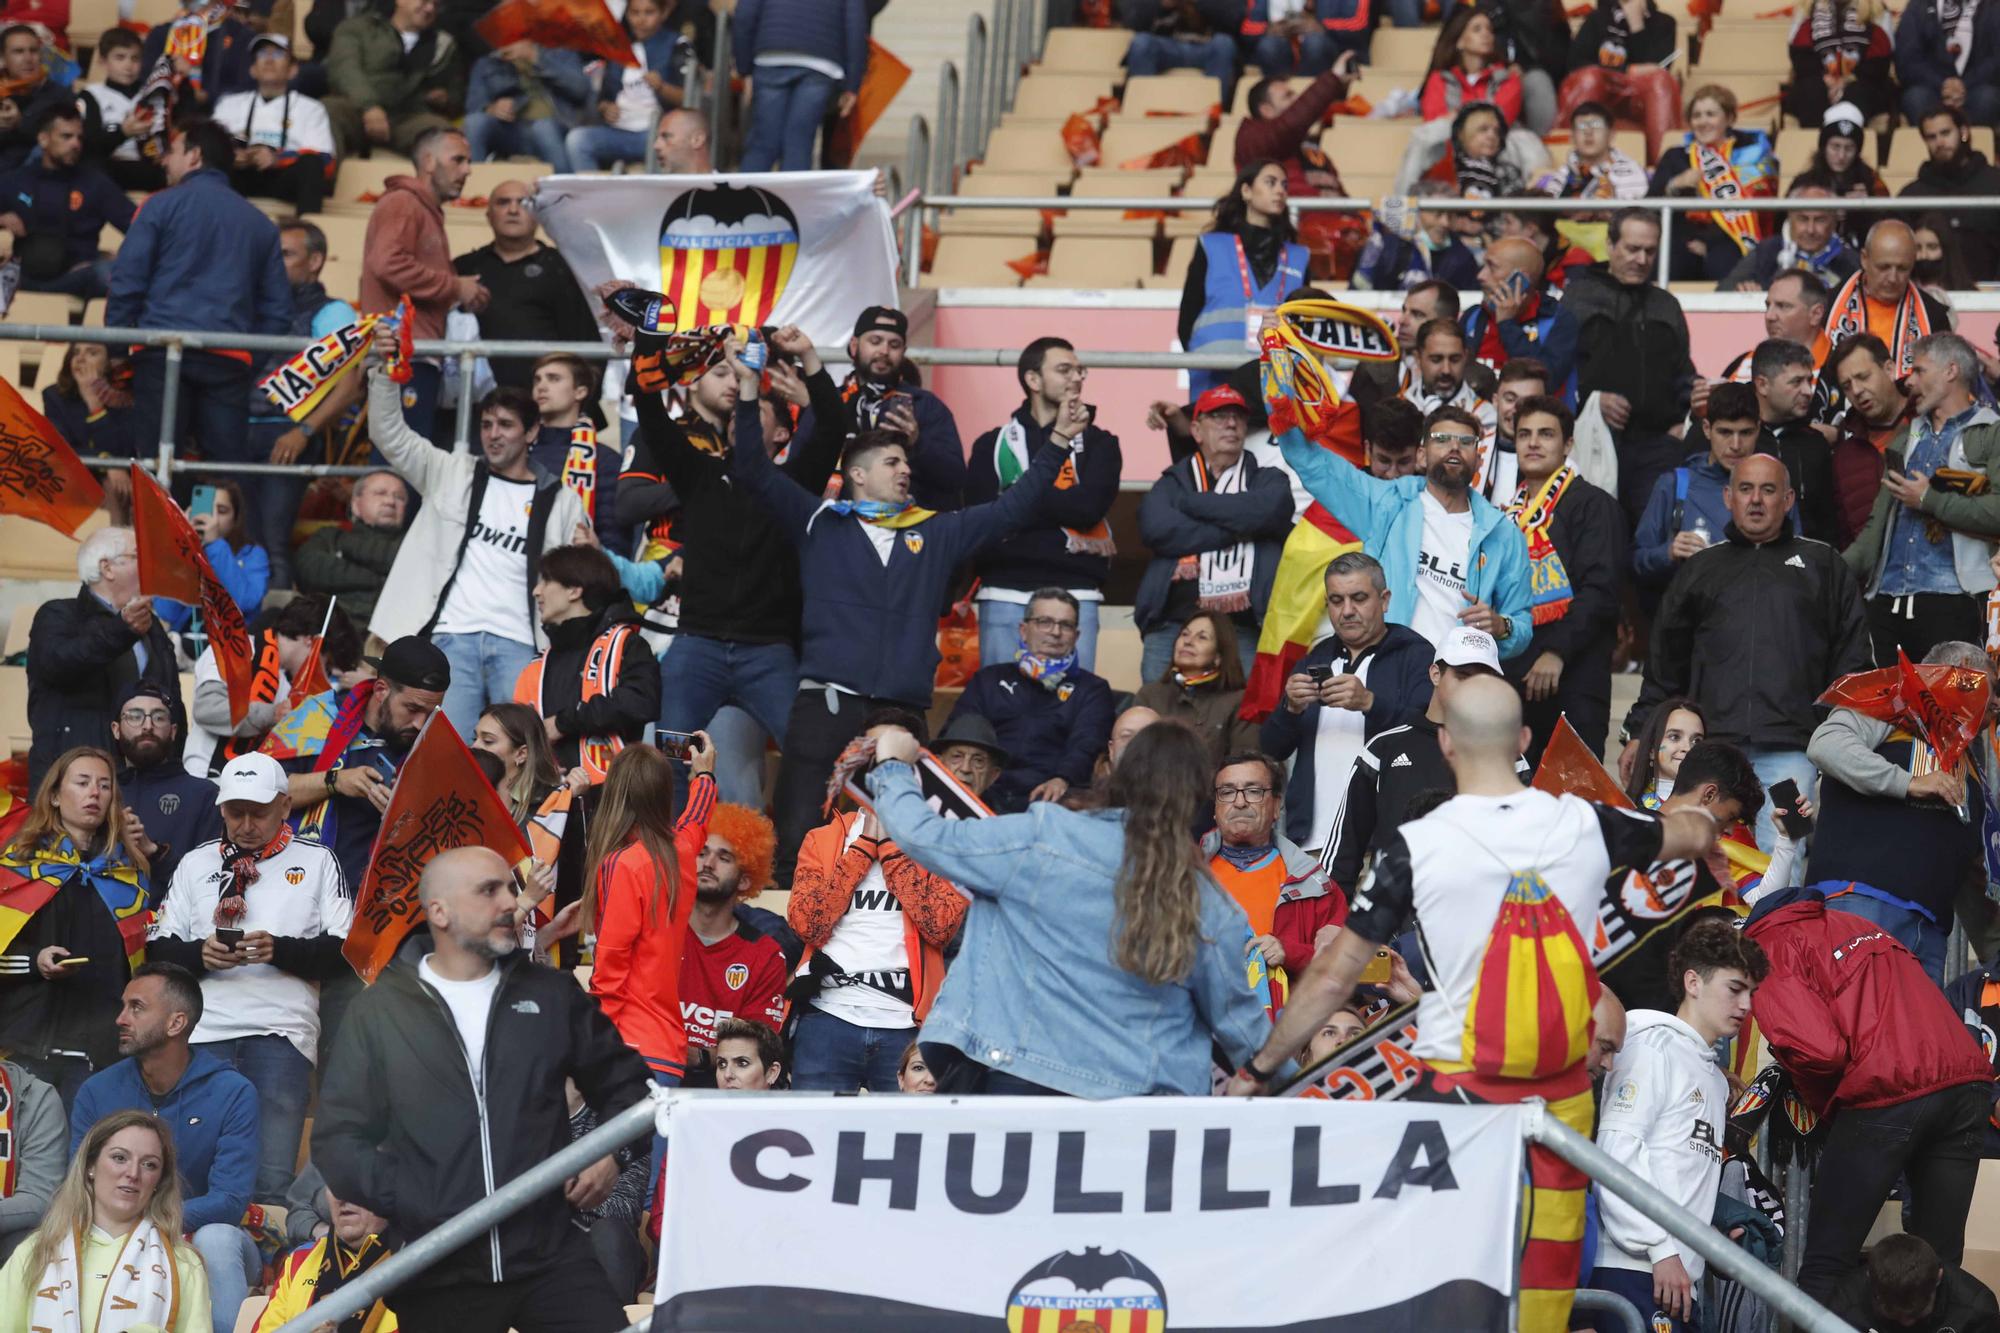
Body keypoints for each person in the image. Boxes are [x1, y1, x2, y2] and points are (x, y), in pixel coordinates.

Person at [1231, 676, 1720, 1333]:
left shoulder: (1416, 845)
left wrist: (1259, 1069)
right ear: (1523, 740)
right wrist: (1702, 820)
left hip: (1455, 1095)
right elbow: (1688, 833)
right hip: (1561, 1095)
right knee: (1547, 1279)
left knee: (1442, 1274)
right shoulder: (1586, 822)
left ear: (1445, 743)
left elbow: (1328, 978)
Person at [727, 348, 1072, 887]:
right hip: (826, 700)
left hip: (901, 709)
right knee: (796, 830)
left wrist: (1057, 443)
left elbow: (1013, 508)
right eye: (893, 463)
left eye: (907, 463)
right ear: (857, 475)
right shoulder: (820, 522)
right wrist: (749, 390)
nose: (906, 470)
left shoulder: (934, 530)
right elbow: (749, 468)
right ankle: (794, 950)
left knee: (903, 837)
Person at [314, 845, 652, 1333]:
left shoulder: (551, 994)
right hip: (440, 1266)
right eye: (489, 890)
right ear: (439, 911)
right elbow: (337, 1139)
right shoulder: (380, 1011)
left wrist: (612, 1155)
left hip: (549, 1255)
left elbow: (633, 1091)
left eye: (511, 889)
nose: (510, 903)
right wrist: (416, 1201)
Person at [866, 718, 1272, 1096]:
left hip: (1016, 1079)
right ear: (1198, 798)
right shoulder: (1209, 900)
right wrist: (1300, 1086)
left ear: (1117, 773)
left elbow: (925, 836)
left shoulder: (1043, 836)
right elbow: (1241, 1025)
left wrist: (892, 766)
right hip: (1140, 1105)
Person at [625, 322, 846, 804]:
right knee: (672, 758)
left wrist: (808, 354)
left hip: (767, 653)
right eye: (739, 414)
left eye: (757, 411)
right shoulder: (698, 474)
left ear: (783, 432)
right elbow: (649, 410)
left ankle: (802, 860)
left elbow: (832, 423)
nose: (742, 418)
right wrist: (646, 344)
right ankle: (676, 859)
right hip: (697, 647)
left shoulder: (797, 483)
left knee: (810, 758)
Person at [1745, 877, 1992, 1304]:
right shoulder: (1849, 923)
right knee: (1939, 1264)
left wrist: (1827, 1111)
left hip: (1888, 1089)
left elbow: (1818, 1050)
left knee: (1827, 1263)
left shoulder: (1769, 945)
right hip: (1965, 1083)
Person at [1625, 453, 1870, 847]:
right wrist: (1640, 732)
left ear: (1788, 499)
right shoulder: (1700, 568)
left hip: (1794, 754)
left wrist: (1837, 736)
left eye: (1768, 490)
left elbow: (1853, 660)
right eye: (1745, 489)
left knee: (1788, 856)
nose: (1756, 499)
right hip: (1711, 755)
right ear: (1727, 497)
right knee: (1702, 858)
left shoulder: (1824, 564)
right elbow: (1664, 664)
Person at [361, 328, 588, 736]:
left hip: (521, 640)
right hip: (452, 637)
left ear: (532, 432)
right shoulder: (452, 471)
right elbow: (388, 435)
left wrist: (591, 552)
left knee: (520, 756)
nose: (493, 434)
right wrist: (384, 373)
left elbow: (581, 572)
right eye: (486, 424)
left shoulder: (562, 498)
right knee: (446, 753)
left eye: (505, 424)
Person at [146, 753, 348, 1205]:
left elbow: (347, 953)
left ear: (285, 805)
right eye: (235, 812)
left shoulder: (317, 862)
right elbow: (157, 951)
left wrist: (282, 949)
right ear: (221, 809)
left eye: (259, 812)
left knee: (269, 1182)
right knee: (188, 1177)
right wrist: (200, 955)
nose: (246, 824)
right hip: (201, 1034)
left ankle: (271, 1273)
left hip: (281, 1036)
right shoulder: (196, 863)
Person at [1589, 920, 1767, 1333]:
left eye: (1751, 994)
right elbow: (1616, 1154)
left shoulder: (1713, 1077)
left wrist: (1711, 1240)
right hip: (1633, 1269)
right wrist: (1660, 1248)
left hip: (1675, 1275)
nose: (1745, 1006)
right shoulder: (1651, 1048)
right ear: (1693, 982)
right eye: (1734, 989)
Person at [71, 964, 259, 1333]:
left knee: (218, 1238)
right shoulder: (97, 1090)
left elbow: (230, 1199)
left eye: (137, 1008)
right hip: (111, 1230)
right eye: (123, 1006)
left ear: (176, 1023)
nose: (121, 1018)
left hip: (195, 1235)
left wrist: (147, 1221)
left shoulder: (233, 1091)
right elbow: (77, 1181)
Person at [787, 709, 968, 1091]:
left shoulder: (943, 840)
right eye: (873, 750)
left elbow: (941, 927)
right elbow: (808, 924)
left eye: (893, 753)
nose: (879, 762)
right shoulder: (822, 839)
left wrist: (891, 847)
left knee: (909, 1148)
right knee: (814, 1144)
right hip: (827, 1018)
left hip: (908, 1028)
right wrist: (862, 847)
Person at [1276, 403, 1534, 661]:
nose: (1454, 447)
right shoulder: (1385, 503)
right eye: (1441, 439)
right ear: (1421, 456)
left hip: (1459, 676)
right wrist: (1279, 399)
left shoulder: (1504, 535)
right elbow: (1311, 462)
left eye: (1466, 441)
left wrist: (1502, 626)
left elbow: (1522, 624)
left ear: (1478, 460)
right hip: (1385, 667)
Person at [1805, 640, 1993, 987]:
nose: (1996, 703)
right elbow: (1826, 744)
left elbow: (1970, 867)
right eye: (1992, 688)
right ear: (1960, 674)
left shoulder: (1970, 760)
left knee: (1910, 1041)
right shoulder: (1887, 704)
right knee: (1852, 1032)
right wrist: (1909, 782)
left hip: (1929, 933)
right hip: (1860, 903)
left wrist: (1994, 954)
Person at [106, 118, 288, 475]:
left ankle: (162, 531)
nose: (163, 161)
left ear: (194, 157)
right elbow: (278, 314)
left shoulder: (158, 206)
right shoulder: (261, 225)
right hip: (228, 362)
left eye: (172, 151)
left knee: (159, 468)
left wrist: (116, 350)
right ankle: (209, 528)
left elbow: (127, 281)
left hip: (160, 355)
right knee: (219, 475)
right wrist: (248, 359)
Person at [0, 749, 152, 1108]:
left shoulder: (129, 876)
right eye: (82, 783)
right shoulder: (16, 868)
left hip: (101, 1059)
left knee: (88, 1163)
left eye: (104, 785)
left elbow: (140, 967)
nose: (94, 793)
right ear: (54, 795)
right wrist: (35, 962)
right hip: (26, 1051)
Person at [1259, 551, 1435, 853]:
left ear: (1385, 599)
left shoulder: (1415, 654)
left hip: (1382, 844)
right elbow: (1270, 749)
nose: (1347, 610)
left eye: (1359, 598)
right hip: (1311, 844)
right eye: (1337, 601)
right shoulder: (1315, 658)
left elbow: (1431, 737)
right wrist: (1290, 709)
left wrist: (1369, 703)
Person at [965, 338, 1123, 671]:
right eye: (1064, 369)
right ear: (1033, 380)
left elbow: (1088, 509)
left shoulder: (1100, 443)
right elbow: (983, 520)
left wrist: (1015, 496)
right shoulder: (991, 445)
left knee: (1072, 709)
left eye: (1080, 370)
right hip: (1005, 591)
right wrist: (1048, 502)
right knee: (1002, 708)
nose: (1076, 378)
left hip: (1077, 590)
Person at [1843, 333, 2000, 666]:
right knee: (1885, 715)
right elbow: (1877, 526)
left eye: (1919, 370)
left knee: (1950, 712)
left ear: (1950, 370)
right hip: (1885, 600)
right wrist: (1829, 570)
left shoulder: (1992, 432)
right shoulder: (1907, 436)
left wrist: (1929, 498)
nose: (1909, 382)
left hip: (1955, 600)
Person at [1321, 625, 1506, 894]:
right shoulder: (1383, 749)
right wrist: (1332, 920)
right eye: (1463, 676)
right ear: (1434, 673)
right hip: (1391, 927)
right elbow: (1343, 853)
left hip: (1478, 924)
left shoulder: (1507, 757)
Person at [1136, 384, 1296, 680]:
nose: (1232, 424)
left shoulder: (1267, 479)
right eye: (1219, 416)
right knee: (1155, 709)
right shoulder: (1173, 481)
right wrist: (1241, 530)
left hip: (1246, 625)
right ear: (1196, 431)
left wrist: (1191, 505)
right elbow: (1156, 530)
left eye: (1238, 417)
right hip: (1173, 624)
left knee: (1246, 717)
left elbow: (1270, 512)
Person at [582, 741, 715, 1095]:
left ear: (615, 794)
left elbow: (610, 964)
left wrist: (595, 1046)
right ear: (663, 794)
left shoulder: (623, 863)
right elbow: (696, 822)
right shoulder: (681, 852)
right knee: (659, 1155)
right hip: (666, 1049)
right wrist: (704, 775)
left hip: (627, 1049)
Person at [0, 1109, 209, 1333]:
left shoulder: (184, 1263)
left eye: (149, 1164)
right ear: (90, 1166)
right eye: (120, 1158)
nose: (133, 1173)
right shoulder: (35, 1251)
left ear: (159, 1180)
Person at [1501, 395, 1626, 765]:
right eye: (1524, 434)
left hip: (1574, 678)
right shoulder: (1506, 514)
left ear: (1568, 444)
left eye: (1545, 434)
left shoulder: (1593, 504)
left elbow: (1601, 592)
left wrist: (1557, 652)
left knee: (1573, 803)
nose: (1533, 442)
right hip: (1513, 678)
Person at [278, 635, 450, 893]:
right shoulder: (318, 715)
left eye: (431, 712)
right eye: (412, 708)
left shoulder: (434, 750)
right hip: (294, 885)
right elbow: (266, 793)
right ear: (381, 690)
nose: (420, 723)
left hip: (374, 900)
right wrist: (334, 781)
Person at [246, 219, 365, 591]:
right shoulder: (255, 306)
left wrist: (304, 431)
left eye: (285, 254)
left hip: (286, 436)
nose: (274, 262)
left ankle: (273, 636)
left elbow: (351, 385)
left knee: (272, 542)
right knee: (244, 543)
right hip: (237, 432)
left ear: (315, 262)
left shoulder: (333, 312)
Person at [1562, 208, 1699, 524]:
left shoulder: (1666, 305)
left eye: (1650, 251)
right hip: (1593, 439)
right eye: (1632, 248)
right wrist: (1593, 399)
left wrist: (1686, 417)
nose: (1641, 259)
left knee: (1655, 533)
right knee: (1598, 531)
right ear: (1610, 245)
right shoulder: (1578, 296)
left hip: (1657, 446)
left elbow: (1682, 370)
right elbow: (1560, 369)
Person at [25, 527, 182, 791]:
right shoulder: (59, 614)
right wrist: (122, 629)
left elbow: (171, 700)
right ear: (107, 568)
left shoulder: (149, 624)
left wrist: (174, 766)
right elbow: (60, 664)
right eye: (137, 558)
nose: (148, 568)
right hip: (71, 781)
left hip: (145, 779)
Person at [361, 125, 482, 440]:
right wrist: (456, 287)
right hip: (404, 355)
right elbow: (387, 262)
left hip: (413, 353)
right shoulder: (404, 202)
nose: (467, 170)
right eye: (458, 160)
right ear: (429, 162)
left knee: (409, 468)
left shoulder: (419, 207)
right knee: (399, 472)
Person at [944, 590, 1113, 814]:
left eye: (1066, 625)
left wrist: (1063, 778)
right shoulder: (989, 679)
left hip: (1054, 801)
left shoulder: (1092, 689)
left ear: (1076, 636)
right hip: (986, 791)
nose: (1055, 632)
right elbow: (957, 734)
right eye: (1045, 622)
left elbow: (1086, 745)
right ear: (1024, 630)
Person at [513, 544, 659, 778]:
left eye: (546, 581)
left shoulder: (626, 644)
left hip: (613, 800)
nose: (536, 591)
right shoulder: (541, 660)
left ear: (574, 590)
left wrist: (563, 723)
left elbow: (640, 702)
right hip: (549, 802)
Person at [1203, 751, 1345, 987]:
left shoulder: (1314, 885)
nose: (1240, 802)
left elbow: (1345, 968)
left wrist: (1290, 954)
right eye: (1227, 792)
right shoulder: (1182, 877)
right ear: (1215, 808)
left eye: (1253, 791)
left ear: (1277, 805)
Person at [806, 305, 966, 512]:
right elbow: (801, 468)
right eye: (875, 341)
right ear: (854, 346)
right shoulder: (829, 402)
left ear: (904, 353)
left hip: (907, 531)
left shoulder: (925, 405)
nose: (884, 351)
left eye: (894, 345)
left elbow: (955, 478)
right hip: (838, 525)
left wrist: (918, 443)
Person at [1179, 160, 1310, 402]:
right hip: (1213, 378)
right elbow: (1187, 318)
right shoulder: (1212, 246)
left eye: (1284, 185)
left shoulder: (1299, 256)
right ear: (1246, 191)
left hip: (1274, 381)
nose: (1280, 190)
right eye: (1270, 183)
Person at [455, 181, 600, 391]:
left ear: (538, 215)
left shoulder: (564, 268)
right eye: (503, 203)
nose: (513, 210)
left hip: (545, 405)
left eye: (523, 203)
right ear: (488, 215)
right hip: (477, 404)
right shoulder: (464, 267)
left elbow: (587, 343)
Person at [679, 802, 785, 1070]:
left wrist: (699, 1056)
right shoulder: (658, 933)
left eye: (724, 858)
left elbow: (758, 1049)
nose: (708, 863)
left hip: (722, 1094)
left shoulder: (765, 955)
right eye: (702, 853)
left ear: (745, 881)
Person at [1632, 382, 1763, 591]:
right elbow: (1637, 561)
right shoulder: (1674, 485)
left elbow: (1796, 563)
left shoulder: (1775, 487)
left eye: (1745, 433)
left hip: (1757, 617)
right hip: (1692, 618)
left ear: (1758, 430)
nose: (1736, 445)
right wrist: (1669, 553)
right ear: (1707, 429)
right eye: (1725, 432)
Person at [179, 598, 325, 780]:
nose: (319, 668)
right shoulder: (235, 646)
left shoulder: (284, 684)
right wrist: (273, 714)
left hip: (245, 787)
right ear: (309, 641)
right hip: (204, 780)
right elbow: (208, 709)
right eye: (323, 657)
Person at [1650, 84, 1779, 284]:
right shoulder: (1676, 156)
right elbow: (1648, 208)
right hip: (1682, 241)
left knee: (1726, 263)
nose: (1702, 122)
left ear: (1729, 119)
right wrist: (1674, 185)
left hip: (1731, 241)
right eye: (1697, 115)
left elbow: (1761, 212)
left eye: (1710, 114)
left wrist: (1707, 243)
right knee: (1668, 260)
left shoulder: (1753, 156)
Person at [0, 104, 131, 300]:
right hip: (21, 277)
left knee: (111, 273)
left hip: (77, 277)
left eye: (79, 138)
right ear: (43, 139)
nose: (75, 144)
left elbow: (140, 227)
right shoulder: (15, 180)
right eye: (66, 136)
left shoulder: (95, 184)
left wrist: (120, 258)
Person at [112, 684, 222, 894]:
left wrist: (155, 853)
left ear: (173, 731)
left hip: (171, 923)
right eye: (135, 716)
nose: (147, 726)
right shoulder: (101, 792)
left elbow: (210, 883)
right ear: (116, 729)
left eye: (159, 717)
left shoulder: (203, 795)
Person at [732, 0, 865, 172]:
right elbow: (855, 28)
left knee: (763, 142)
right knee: (799, 142)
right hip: (820, 62)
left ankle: (745, 198)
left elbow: (744, 15)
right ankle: (791, 199)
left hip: (771, 57)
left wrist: (745, 69)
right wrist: (852, 85)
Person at [321, 0, 464, 158]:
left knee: (445, 136)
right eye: (424, 2)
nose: (430, 8)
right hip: (355, 110)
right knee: (326, 112)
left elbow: (456, 95)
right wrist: (370, 107)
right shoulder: (359, 29)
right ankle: (322, 182)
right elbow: (345, 71)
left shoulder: (442, 45)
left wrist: (444, 99)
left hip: (407, 117)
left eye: (435, 5)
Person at [214, 35, 335, 214]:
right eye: (262, 54)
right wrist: (231, 155)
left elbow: (326, 160)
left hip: (283, 177)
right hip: (240, 175)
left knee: (311, 164)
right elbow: (208, 147)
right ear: (253, 69)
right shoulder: (228, 104)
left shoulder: (311, 108)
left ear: (293, 70)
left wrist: (277, 159)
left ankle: (307, 231)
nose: (269, 59)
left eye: (278, 54)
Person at [252, 1183, 394, 1333]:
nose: (343, 1195)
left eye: (358, 1181)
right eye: (334, 1182)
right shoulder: (299, 1261)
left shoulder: (417, 1271)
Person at [1825, 220, 1956, 380]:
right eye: (1884, 267)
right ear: (1864, 259)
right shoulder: (1827, 307)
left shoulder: (1933, 316)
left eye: (1902, 268)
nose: (1893, 278)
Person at [567, 0, 686, 171]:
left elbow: (691, 100)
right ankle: (594, 196)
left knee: (662, 144)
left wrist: (662, 88)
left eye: (648, 12)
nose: (641, 19)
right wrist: (606, 109)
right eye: (635, 13)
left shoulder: (677, 44)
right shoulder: (618, 47)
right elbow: (604, 98)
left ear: (663, 13)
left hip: (656, 133)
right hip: (618, 131)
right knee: (578, 140)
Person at [1348, 280, 1497, 413]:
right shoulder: (1371, 368)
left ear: (1446, 323)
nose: (1402, 320)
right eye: (1404, 310)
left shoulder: (1480, 380)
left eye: (1417, 314)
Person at [1134, 612, 1262, 767]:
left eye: (1202, 637)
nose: (1188, 641)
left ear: (1218, 656)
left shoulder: (1239, 701)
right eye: (1184, 634)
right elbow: (1135, 758)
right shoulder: (1149, 695)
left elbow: (1243, 766)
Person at [1745, 338, 1841, 544]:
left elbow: (1828, 525)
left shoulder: (1816, 444)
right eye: (1796, 382)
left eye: (1809, 381)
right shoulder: (1734, 437)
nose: (1808, 391)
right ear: (1762, 384)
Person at [1558, 0, 1679, 163]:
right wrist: (1627, 70)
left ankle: (1664, 167)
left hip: (1641, 100)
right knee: (1589, 78)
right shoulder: (1596, 19)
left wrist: (1636, 25)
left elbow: (1657, 67)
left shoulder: (1665, 23)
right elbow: (1576, 63)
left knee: (1660, 81)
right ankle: (1572, 161)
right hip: (1601, 90)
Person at [1461, 240, 1577, 401]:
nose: (1481, 276)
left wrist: (1507, 324)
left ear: (1521, 279)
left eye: (1492, 267)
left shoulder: (1556, 321)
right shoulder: (1474, 317)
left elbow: (1547, 382)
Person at [1231, 62, 1357, 210]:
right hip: (1289, 229)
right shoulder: (1252, 139)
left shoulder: (1310, 149)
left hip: (1335, 228)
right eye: (1287, 96)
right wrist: (1333, 79)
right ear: (1267, 110)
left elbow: (1341, 197)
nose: (1297, 99)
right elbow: (1289, 125)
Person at [294, 469, 409, 627]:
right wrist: (380, 579)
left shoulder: (414, 544)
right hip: (332, 631)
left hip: (391, 635)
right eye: (380, 493)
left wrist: (345, 554)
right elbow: (308, 570)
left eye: (399, 497)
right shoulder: (331, 537)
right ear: (355, 504)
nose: (390, 501)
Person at [1900, 107, 2000, 287]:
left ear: (1963, 132)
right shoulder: (1911, 195)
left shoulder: (1995, 184)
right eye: (1931, 137)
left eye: (1945, 133)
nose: (1939, 142)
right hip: (1927, 300)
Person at [1829, 331, 1911, 545]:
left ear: (1890, 369)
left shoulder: (1931, 423)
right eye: (1846, 386)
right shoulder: (1845, 454)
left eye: (1863, 377)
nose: (1856, 390)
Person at [463, 39, 589, 173]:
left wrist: (535, 57)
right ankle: (473, 186)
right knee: (474, 123)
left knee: (543, 127)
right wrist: (491, 109)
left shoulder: (559, 52)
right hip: (514, 131)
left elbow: (580, 89)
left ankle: (564, 187)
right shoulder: (487, 63)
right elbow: (473, 107)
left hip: (558, 126)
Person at [1832, 1234, 2000, 1333]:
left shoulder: (1976, 1310)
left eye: (1916, 1313)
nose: (1907, 1323)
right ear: (1870, 1280)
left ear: (1938, 1278)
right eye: (1894, 1314)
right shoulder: (1844, 1306)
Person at [527, 354, 619, 534]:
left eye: (554, 379)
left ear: (580, 392)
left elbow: (613, 535)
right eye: (537, 380)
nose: (541, 387)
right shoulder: (518, 449)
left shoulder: (606, 460)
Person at [1394, 98, 1549, 201]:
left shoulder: (1509, 171)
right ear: (1463, 135)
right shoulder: (1444, 170)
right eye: (1483, 129)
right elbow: (1421, 140)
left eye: (1496, 131)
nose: (1492, 136)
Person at [1717, 181, 1856, 291]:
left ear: (1834, 222)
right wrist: (1742, 290)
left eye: (1820, 220)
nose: (1810, 229)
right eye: (1803, 219)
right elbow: (1723, 290)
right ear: (1790, 217)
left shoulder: (1849, 261)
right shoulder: (1768, 250)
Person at [38, 343, 139, 481]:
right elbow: (59, 448)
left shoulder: (125, 397)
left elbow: (124, 451)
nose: (80, 359)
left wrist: (94, 405)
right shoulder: (54, 396)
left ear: (110, 363)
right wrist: (105, 461)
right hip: (76, 481)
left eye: (92, 353)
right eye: (76, 352)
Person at [1786, 0, 1896, 126]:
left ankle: (1848, 143)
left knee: (1858, 93)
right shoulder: (1806, 8)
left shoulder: (1877, 9)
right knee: (1812, 92)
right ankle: (1816, 143)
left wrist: (1848, 79)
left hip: (1863, 81)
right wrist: (1826, 79)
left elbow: (1880, 61)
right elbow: (1800, 56)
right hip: (1817, 79)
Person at [1894, 0, 2000, 130]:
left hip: (1977, 86)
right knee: (1916, 98)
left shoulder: (1993, 6)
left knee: (1987, 99)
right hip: (1931, 87)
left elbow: (1996, 59)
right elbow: (1907, 59)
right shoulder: (1918, 6)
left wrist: (1964, 85)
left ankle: (1971, 149)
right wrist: (1943, 84)